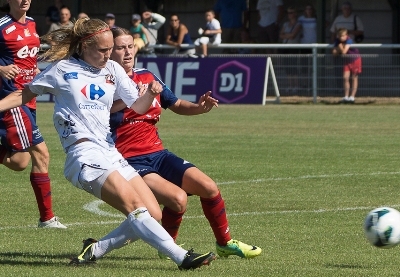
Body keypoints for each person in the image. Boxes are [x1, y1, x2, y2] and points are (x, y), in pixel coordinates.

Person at [0, 18, 216, 270]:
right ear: (84, 47)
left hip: (109, 151)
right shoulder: (62, 70)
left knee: (154, 213)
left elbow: (137, 106)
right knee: (135, 208)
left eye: (109, 49)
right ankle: (181, 257)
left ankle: (97, 248)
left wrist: (150, 94)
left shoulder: (112, 70)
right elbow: (23, 94)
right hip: (83, 153)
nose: (107, 55)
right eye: (102, 50)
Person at [105, 27, 262, 259]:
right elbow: (99, 113)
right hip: (129, 160)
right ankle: (169, 248)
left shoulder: (147, 76)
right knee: (178, 199)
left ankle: (225, 242)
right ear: (109, 51)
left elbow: (176, 103)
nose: (128, 52)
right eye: (121, 48)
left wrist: (200, 108)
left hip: (158, 154)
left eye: (131, 46)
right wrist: (132, 99)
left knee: (208, 187)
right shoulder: (104, 83)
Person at [0, 0, 66, 228]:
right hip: (12, 98)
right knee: (39, 153)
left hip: (30, 97)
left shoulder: (31, 23)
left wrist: (37, 73)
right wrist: (1, 69)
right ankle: (47, 218)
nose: (24, 0)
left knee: (19, 161)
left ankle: (47, 218)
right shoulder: (1, 25)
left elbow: (27, 59)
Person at [332, 28, 362, 103]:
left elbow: (344, 51)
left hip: (355, 59)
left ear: (346, 35)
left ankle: (352, 97)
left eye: (343, 36)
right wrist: (339, 48)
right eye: (340, 36)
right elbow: (334, 53)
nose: (342, 38)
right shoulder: (337, 41)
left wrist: (340, 47)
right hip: (347, 61)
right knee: (345, 77)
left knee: (354, 78)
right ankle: (346, 96)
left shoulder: (349, 40)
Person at [279, 7, 302, 95]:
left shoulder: (298, 24)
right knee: (287, 67)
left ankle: (296, 85)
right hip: (285, 47)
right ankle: (290, 85)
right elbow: (281, 35)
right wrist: (287, 35)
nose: (289, 15)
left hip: (294, 47)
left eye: (291, 12)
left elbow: (293, 35)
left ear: (295, 14)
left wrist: (286, 35)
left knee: (293, 66)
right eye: (288, 13)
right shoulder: (285, 24)